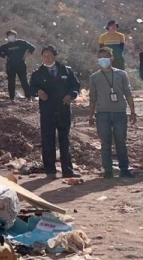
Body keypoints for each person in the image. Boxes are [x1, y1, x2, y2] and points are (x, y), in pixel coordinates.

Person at [29, 45, 81, 178]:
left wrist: (71, 95)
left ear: (55, 56)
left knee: (64, 140)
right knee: (48, 140)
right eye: (44, 56)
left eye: (50, 56)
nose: (47, 59)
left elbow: (75, 85)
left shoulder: (66, 70)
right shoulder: (38, 73)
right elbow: (31, 88)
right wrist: (38, 91)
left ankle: (67, 170)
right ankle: (50, 171)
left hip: (63, 110)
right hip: (47, 111)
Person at [88, 47, 137, 179]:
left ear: (111, 58)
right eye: (100, 58)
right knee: (105, 143)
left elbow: (128, 93)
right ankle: (108, 170)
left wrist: (133, 112)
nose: (102, 60)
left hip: (119, 112)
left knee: (121, 142)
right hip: (102, 114)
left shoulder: (121, 74)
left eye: (105, 57)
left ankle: (124, 169)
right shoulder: (94, 77)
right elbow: (92, 98)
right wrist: (90, 116)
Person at [0, 30, 35, 101]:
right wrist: (4, 56)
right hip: (10, 66)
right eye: (9, 35)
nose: (11, 37)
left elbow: (32, 48)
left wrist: (26, 56)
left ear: (15, 36)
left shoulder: (22, 43)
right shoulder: (6, 46)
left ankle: (28, 97)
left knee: (24, 80)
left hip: (21, 65)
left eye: (12, 35)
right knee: (11, 82)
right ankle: (12, 98)